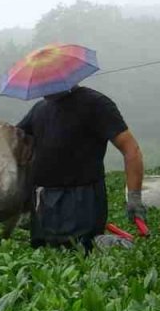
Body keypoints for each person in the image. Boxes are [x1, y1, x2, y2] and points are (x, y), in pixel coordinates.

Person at [16, 85, 146, 251]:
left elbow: (131, 150)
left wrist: (134, 197)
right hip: (44, 199)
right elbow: (14, 140)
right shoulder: (40, 109)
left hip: (82, 198)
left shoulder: (95, 103)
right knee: (44, 250)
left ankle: (110, 243)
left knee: (80, 250)